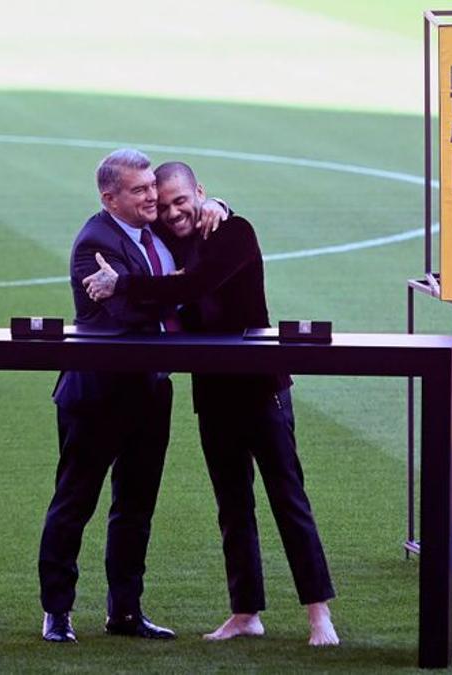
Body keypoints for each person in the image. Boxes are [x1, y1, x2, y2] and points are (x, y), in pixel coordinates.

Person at [83, 162, 339, 646]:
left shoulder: (234, 232)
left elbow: (193, 285)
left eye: (183, 201)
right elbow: (143, 232)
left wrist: (124, 283)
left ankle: (319, 615)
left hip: (261, 388)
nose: (173, 213)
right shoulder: (170, 236)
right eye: (165, 205)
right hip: (213, 393)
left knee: (288, 500)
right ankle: (245, 613)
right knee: (232, 506)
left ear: (200, 192)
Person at [38, 149, 225, 643]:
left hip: (150, 390)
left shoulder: (153, 226)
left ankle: (125, 612)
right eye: (140, 190)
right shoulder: (94, 243)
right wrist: (177, 290)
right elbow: (126, 314)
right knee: (74, 503)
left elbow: (189, 219)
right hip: (97, 394)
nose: (153, 197)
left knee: (136, 507)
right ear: (110, 198)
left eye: (152, 187)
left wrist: (218, 205)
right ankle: (57, 612)